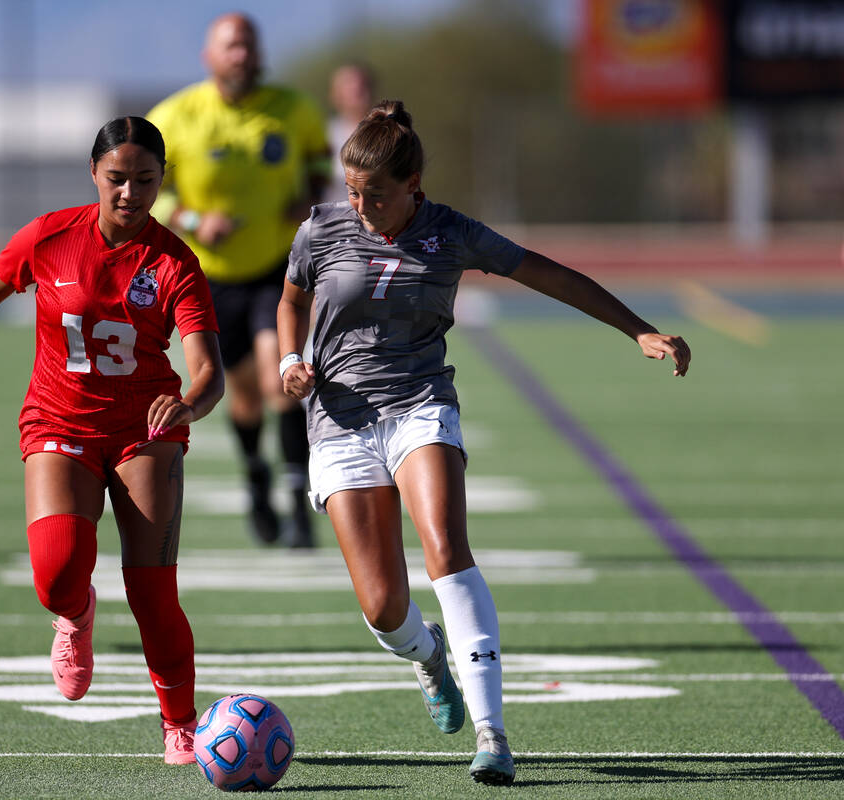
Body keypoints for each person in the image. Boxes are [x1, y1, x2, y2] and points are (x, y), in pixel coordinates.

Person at [277, 101, 691, 786]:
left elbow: (549, 274)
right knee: (383, 608)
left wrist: (637, 328)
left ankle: (493, 733)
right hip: (339, 420)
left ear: (414, 184)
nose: (359, 205)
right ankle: (427, 656)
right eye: (351, 190)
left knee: (445, 547)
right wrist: (291, 360)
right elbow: (292, 298)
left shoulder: (452, 234)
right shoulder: (322, 228)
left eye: (374, 194)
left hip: (419, 405)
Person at [0, 116, 224, 765]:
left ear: (161, 181)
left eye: (145, 180)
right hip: (58, 422)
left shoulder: (174, 259)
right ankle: (76, 613)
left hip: (145, 430)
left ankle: (179, 722)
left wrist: (188, 406)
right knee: (57, 573)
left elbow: (207, 369)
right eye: (117, 179)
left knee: (152, 592)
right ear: (94, 174)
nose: (129, 193)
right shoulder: (51, 237)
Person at [147, 12, 331, 548]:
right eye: (230, 46)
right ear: (209, 56)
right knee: (244, 396)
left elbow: (321, 160)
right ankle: (257, 478)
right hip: (205, 279)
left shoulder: (292, 109)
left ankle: (299, 503)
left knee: (283, 380)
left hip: (276, 268)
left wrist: (307, 195)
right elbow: (148, 189)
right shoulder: (176, 116)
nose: (241, 54)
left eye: (248, 44)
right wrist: (192, 221)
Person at [326, 62, 376, 203]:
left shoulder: (393, 134)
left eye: (363, 85)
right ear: (336, 94)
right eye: (350, 87)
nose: (358, 90)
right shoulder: (326, 136)